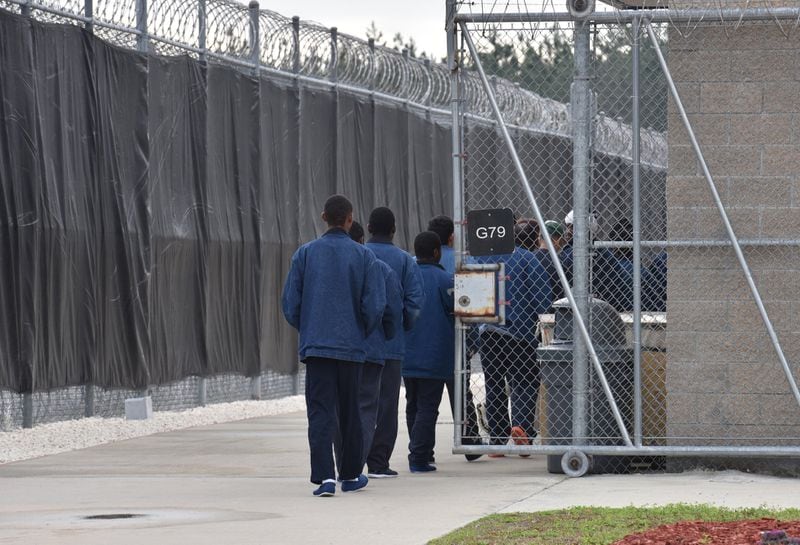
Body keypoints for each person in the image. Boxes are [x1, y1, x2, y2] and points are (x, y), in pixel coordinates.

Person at [281, 195, 385, 497]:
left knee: (320, 411)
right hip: (351, 347)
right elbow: (374, 306)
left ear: (324, 216)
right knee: (350, 410)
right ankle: (351, 475)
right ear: (350, 219)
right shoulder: (364, 257)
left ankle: (324, 477)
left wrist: (311, 327)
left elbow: (291, 303)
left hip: (317, 346)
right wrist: (360, 330)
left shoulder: (305, 254)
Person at [473, 237, 552, 455]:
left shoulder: (480, 258)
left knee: (494, 383)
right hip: (521, 332)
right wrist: (544, 321)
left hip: (488, 332)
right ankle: (522, 428)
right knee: (525, 380)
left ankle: (498, 438)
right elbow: (542, 297)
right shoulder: (528, 258)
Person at [364, 207, 424, 478]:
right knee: (387, 405)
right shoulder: (404, 261)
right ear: (394, 229)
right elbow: (414, 302)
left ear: (367, 227)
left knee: (357, 402)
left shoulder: (359, 255)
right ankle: (378, 462)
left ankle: (351, 458)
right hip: (391, 344)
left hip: (359, 344)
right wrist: (402, 327)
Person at [426, 214, 483, 462]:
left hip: (428, 336)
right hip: (458, 336)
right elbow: (475, 306)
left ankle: (423, 448)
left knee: (425, 398)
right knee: (460, 390)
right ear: (452, 236)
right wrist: (473, 342)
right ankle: (469, 437)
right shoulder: (464, 261)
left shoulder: (419, 262)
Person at [402, 231, 454, 473]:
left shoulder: (406, 276)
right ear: (436, 252)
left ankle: (420, 450)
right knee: (428, 406)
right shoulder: (444, 280)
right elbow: (457, 311)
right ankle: (419, 456)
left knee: (412, 403)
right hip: (434, 353)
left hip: (407, 351)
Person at [532, 220, 566, 303]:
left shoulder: (529, 258)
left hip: (532, 308)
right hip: (555, 308)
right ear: (558, 240)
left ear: (539, 238)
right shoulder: (561, 261)